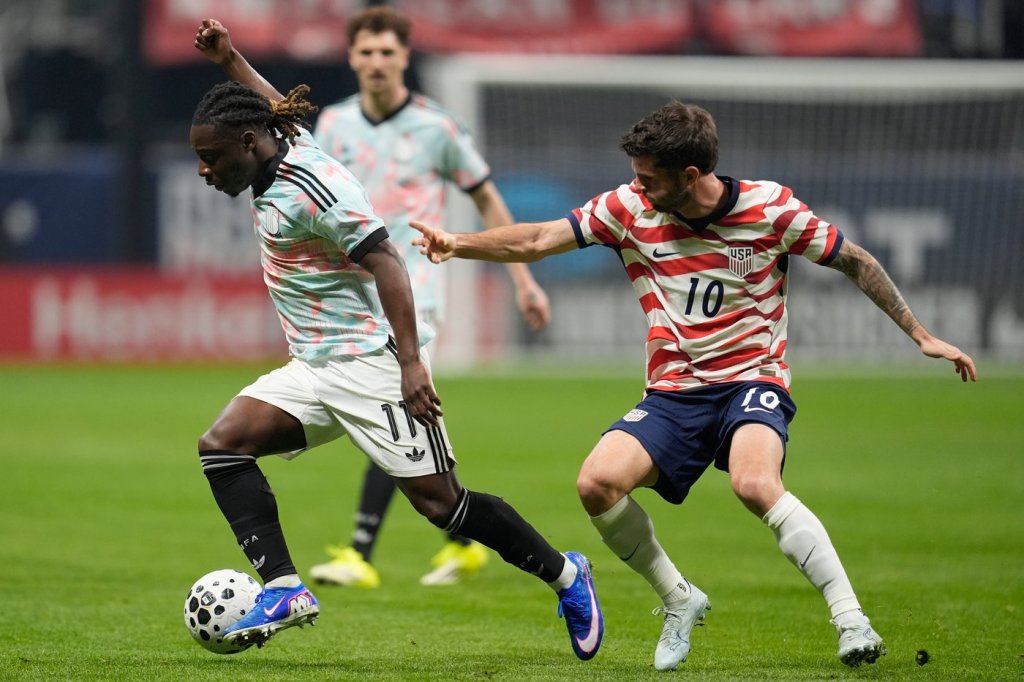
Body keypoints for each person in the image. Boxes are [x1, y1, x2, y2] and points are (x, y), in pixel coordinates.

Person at [410, 101, 978, 670]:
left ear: (689, 175)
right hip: (674, 390)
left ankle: (852, 620)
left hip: (752, 378)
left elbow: (854, 260)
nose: (637, 186)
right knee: (596, 484)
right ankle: (679, 598)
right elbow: (537, 239)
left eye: (648, 177)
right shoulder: (627, 208)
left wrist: (920, 334)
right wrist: (457, 244)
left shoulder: (769, 209)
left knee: (755, 483)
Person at [188, 19, 603, 660]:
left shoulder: (315, 189)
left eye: (211, 158)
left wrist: (411, 366)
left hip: (371, 364)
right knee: (222, 447)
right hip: (313, 367)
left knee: (443, 507)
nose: (204, 170)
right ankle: (286, 589)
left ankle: (567, 575)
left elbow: (387, 261)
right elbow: (275, 107)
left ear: (247, 143)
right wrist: (229, 58)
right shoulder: (274, 143)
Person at [308, 6, 551, 589]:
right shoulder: (333, 125)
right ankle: (463, 542)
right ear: (352, 58)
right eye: (367, 52)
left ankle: (360, 554)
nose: (376, 62)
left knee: (391, 407)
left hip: (417, 289)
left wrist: (523, 278)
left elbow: (485, 196)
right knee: (401, 416)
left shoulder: (437, 127)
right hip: (355, 294)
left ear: (404, 58)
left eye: (387, 52)